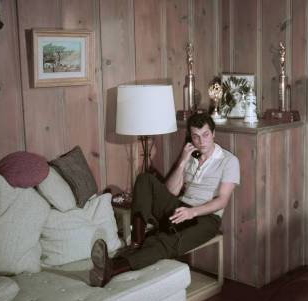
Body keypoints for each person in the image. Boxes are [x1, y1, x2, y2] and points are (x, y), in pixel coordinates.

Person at [90, 113, 240, 287]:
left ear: (213, 134)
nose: (201, 141)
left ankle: (112, 268)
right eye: (195, 136)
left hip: (206, 218)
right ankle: (137, 242)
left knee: (165, 240)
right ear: (190, 137)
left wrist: (192, 212)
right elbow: (171, 191)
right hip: (180, 208)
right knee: (145, 179)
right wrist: (183, 161)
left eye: (205, 135)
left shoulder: (229, 161)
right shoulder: (192, 156)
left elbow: (222, 201)